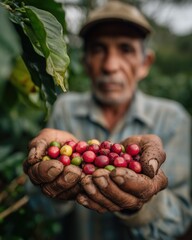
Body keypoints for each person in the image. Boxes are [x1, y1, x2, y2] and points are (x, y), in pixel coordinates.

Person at [23, 1, 192, 240]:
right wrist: (52, 189)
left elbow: (182, 217)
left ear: (145, 64)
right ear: (85, 62)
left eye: (125, 49)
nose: (110, 66)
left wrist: (140, 205)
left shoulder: (173, 119)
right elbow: (39, 208)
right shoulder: (65, 109)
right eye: (98, 49)